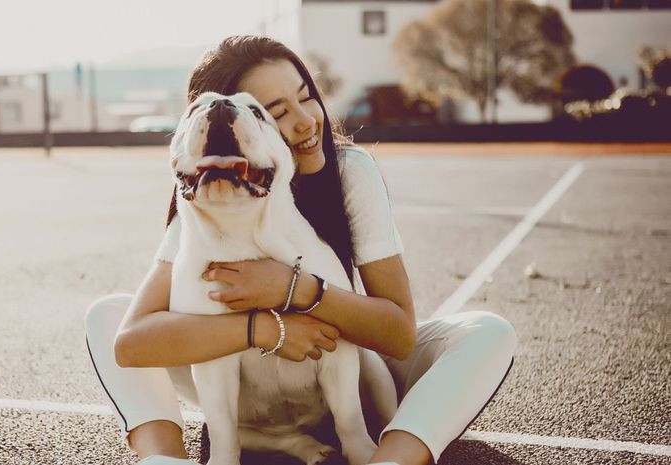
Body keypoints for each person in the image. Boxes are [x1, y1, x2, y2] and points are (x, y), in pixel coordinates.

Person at [85, 35, 517, 465]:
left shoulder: (350, 172)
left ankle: (393, 459)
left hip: (348, 379)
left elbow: (398, 333)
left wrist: (295, 290)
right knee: (108, 313)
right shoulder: (209, 197)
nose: (307, 121)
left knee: (487, 332)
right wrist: (265, 329)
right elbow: (132, 343)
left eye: (306, 97)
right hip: (242, 400)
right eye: (275, 113)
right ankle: (164, 458)